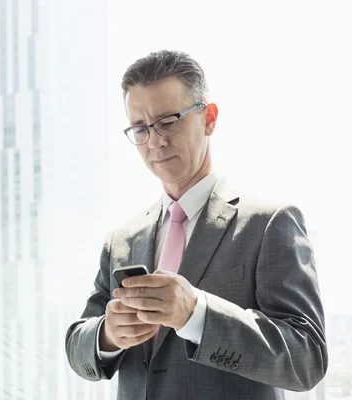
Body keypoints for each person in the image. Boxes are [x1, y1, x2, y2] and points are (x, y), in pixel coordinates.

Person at [64, 50, 327, 400]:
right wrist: (107, 335)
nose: (155, 141)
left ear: (209, 118)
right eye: (141, 129)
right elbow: (77, 346)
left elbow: (306, 359)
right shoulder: (122, 239)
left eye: (168, 121)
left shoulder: (268, 225)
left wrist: (197, 314)